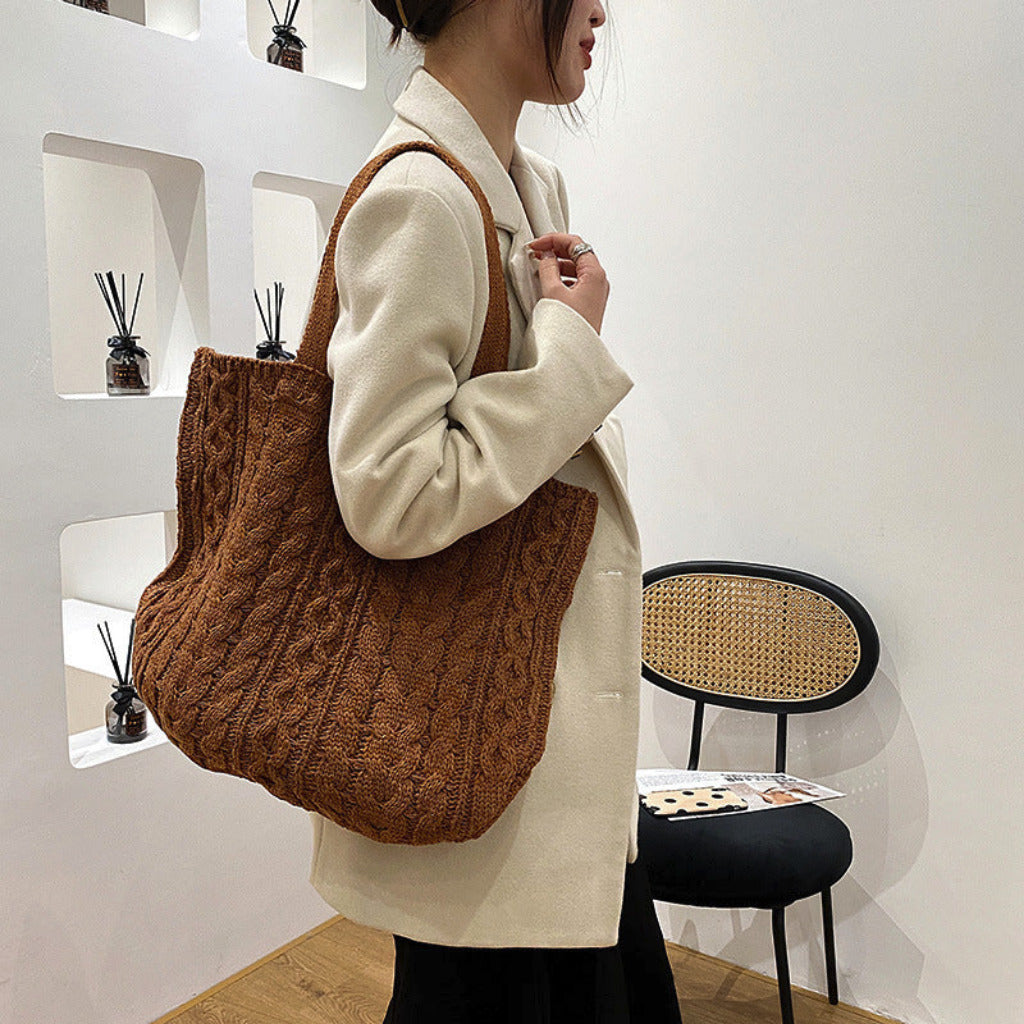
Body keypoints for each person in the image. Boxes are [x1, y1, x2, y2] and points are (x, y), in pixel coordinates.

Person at [306, 1, 683, 1020]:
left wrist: (562, 333)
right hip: (476, 773)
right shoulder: (422, 193)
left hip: (539, 757)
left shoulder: (521, 182)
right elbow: (388, 490)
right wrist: (568, 347)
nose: (601, 7)